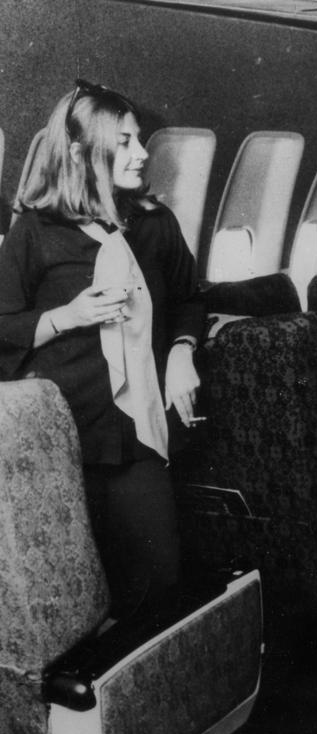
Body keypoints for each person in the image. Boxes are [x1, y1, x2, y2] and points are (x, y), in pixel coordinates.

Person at [0, 81, 204, 618]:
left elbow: (190, 299)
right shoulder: (36, 233)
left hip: (137, 433)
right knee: (72, 602)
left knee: (161, 580)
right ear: (79, 152)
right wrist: (67, 317)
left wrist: (182, 351)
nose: (141, 154)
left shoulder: (155, 224)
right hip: (62, 441)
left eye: (139, 141)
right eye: (126, 142)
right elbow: (1, 327)